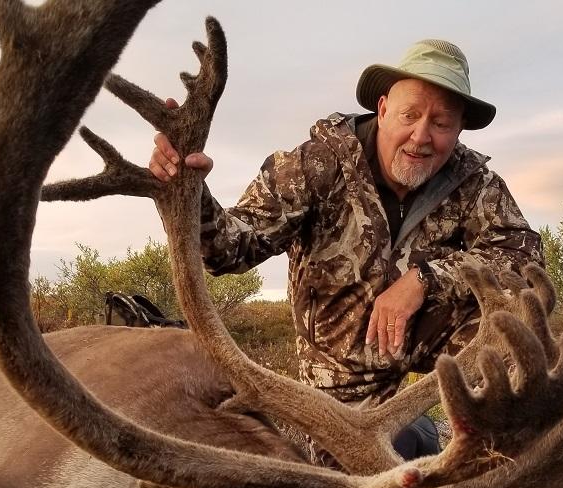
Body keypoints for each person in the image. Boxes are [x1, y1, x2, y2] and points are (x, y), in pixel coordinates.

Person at [150, 39, 542, 462]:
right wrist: (192, 192)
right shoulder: (314, 166)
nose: (422, 136)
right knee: (365, 483)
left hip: (430, 345)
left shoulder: (473, 183)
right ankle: (411, 432)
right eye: (410, 115)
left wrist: (426, 279)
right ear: (384, 107)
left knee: (515, 342)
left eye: (442, 123)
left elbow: (523, 257)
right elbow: (230, 250)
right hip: (340, 386)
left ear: (460, 128)